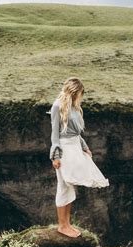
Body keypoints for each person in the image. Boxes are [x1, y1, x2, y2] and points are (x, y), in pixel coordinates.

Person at [47, 77, 110, 238]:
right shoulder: (57, 106)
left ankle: (67, 224)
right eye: (80, 93)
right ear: (74, 92)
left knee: (71, 184)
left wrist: (85, 147)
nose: (81, 96)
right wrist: (56, 156)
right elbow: (55, 134)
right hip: (64, 148)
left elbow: (76, 133)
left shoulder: (75, 107)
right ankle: (62, 226)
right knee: (63, 184)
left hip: (75, 147)